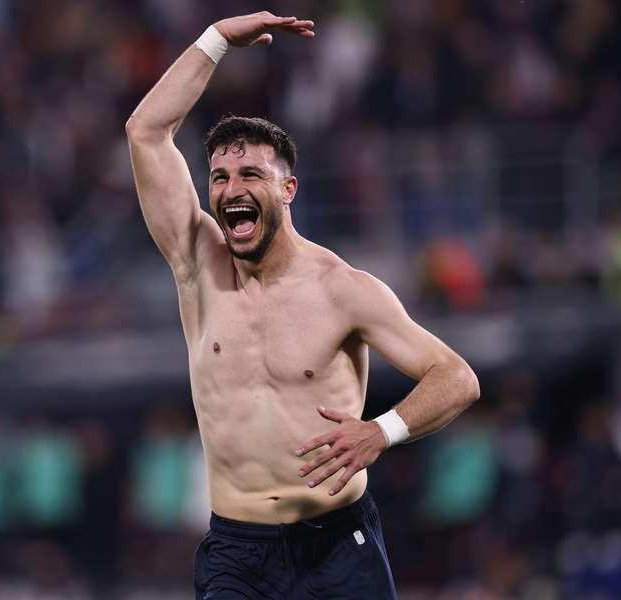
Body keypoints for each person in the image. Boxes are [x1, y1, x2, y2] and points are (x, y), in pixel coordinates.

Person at [125, 11, 480, 599]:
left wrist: (381, 432)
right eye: (219, 176)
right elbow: (145, 132)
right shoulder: (197, 263)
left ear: (287, 190)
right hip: (238, 554)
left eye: (250, 174)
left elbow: (457, 378)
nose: (231, 189)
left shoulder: (344, 289)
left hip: (339, 547)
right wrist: (216, 40)